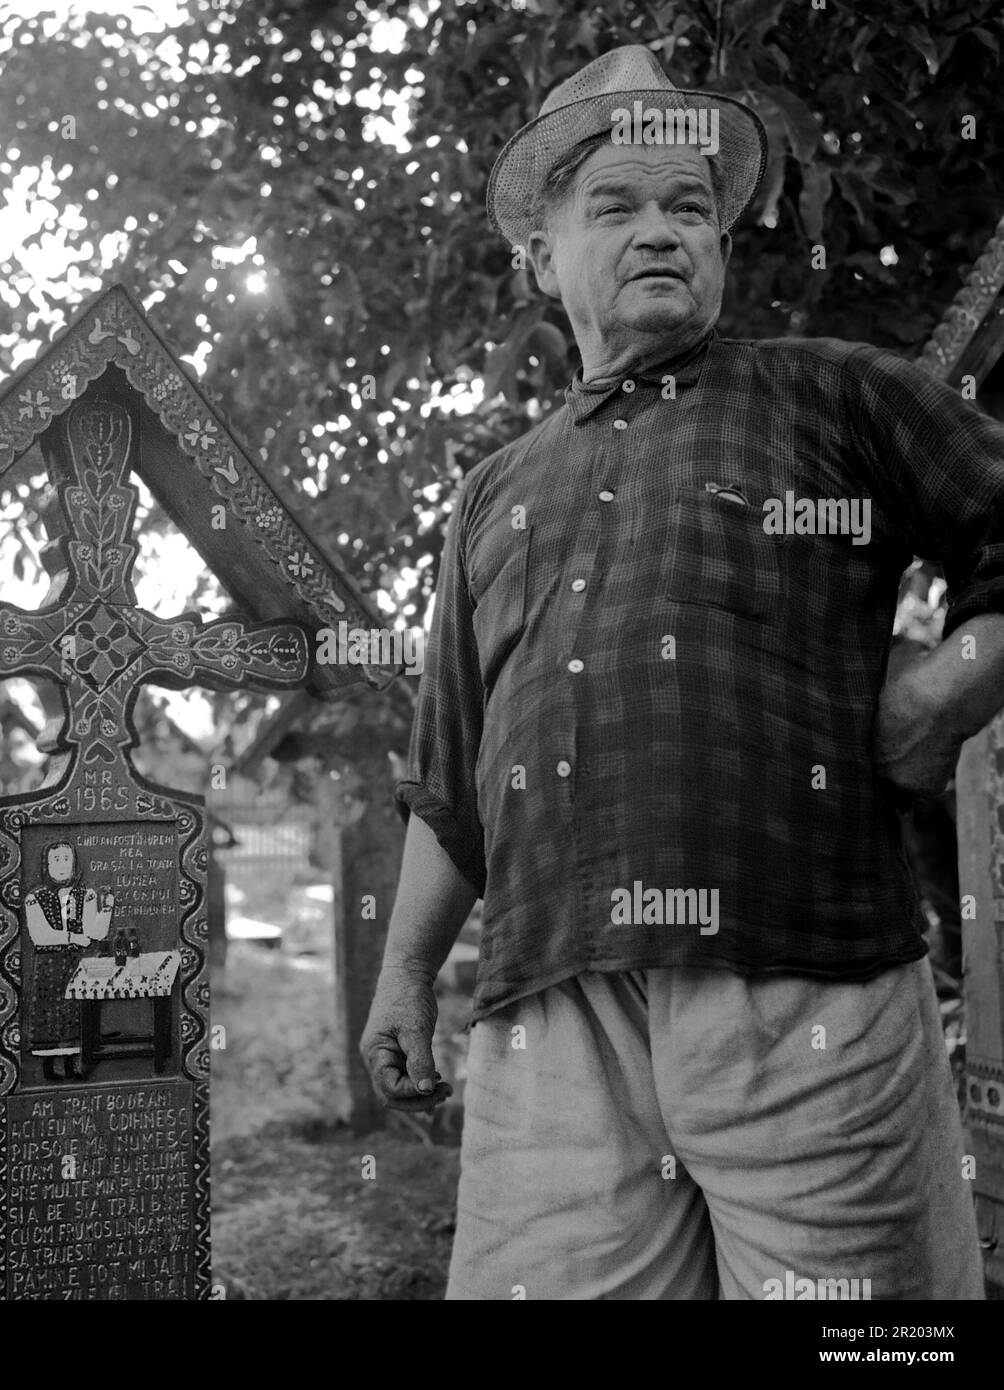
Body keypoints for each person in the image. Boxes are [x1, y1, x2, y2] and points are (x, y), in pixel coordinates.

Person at [361, 44, 1004, 1300]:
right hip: (548, 1011)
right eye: (615, 205)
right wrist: (401, 977)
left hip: (798, 984)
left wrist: (944, 691)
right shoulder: (489, 492)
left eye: (689, 206)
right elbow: (451, 770)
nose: (660, 229)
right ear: (540, 257)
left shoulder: (832, 396)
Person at [24, 839, 114, 1080]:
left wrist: (106, 911)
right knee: (49, 1013)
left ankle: (71, 1063)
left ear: (74, 863)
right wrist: (73, 936)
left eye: (66, 859)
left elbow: (95, 932)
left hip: (74, 962)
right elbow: (40, 935)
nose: (62, 865)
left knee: (73, 1013)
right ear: (47, 865)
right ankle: (48, 1067)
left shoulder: (86, 894)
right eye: (56, 860)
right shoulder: (35, 897)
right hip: (48, 964)